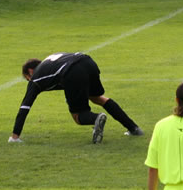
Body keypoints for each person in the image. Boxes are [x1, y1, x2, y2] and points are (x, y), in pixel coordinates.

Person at [8, 52, 143, 142]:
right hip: (88, 62)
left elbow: (25, 107)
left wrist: (15, 136)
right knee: (97, 97)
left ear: (30, 72)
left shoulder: (36, 78)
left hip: (72, 71)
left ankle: (96, 118)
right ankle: (133, 128)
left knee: (78, 116)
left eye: (27, 78)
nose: (29, 81)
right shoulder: (50, 61)